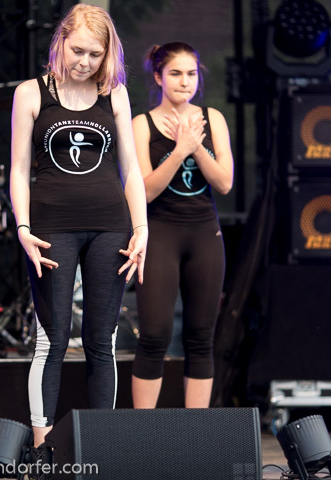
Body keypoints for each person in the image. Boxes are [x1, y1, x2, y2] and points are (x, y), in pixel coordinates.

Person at [9, 4, 148, 473]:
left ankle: (100, 448)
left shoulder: (115, 94)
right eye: (78, 51)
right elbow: (19, 171)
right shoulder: (31, 93)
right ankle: (42, 449)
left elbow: (131, 170)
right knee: (50, 340)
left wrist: (141, 228)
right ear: (60, 43)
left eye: (95, 54)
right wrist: (23, 228)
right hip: (51, 228)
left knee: (101, 341)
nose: (85, 62)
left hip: (111, 226)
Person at [130, 42, 233, 410]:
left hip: (204, 233)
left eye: (191, 74)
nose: (184, 81)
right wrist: (178, 150)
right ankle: (141, 432)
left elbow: (224, 183)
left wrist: (195, 146)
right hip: (160, 232)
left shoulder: (212, 118)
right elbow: (144, 191)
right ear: (159, 77)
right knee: (154, 334)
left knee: (201, 336)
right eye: (175, 73)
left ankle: (197, 431)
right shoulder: (141, 124)